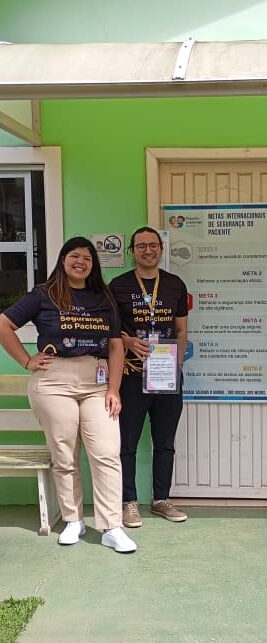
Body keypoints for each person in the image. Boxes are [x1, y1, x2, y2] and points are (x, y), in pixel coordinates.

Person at [0, 237, 137, 553]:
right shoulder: (43, 294)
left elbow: (116, 346)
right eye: (74, 256)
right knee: (64, 454)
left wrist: (114, 389)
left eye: (87, 258)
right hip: (54, 382)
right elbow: (4, 324)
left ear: (93, 265)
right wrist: (26, 360)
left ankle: (112, 527)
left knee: (106, 452)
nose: (81, 262)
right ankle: (73, 520)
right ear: (63, 259)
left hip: (97, 381)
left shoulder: (103, 296)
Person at [109, 227, 188, 528]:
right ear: (132, 251)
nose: (148, 250)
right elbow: (109, 329)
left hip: (166, 376)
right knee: (126, 442)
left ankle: (161, 499)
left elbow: (181, 329)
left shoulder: (175, 284)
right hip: (130, 375)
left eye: (153, 245)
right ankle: (128, 502)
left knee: (165, 441)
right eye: (141, 246)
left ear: (161, 249)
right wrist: (128, 341)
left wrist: (175, 365)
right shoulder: (118, 286)